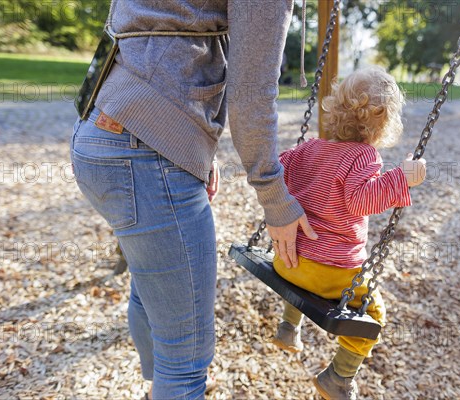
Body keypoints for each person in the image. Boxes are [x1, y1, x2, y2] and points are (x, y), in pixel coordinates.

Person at [70, 1, 317, 399]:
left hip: (101, 129)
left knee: (150, 284)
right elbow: (252, 95)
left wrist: (193, 144)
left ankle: (160, 387)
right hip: (144, 155)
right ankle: (171, 385)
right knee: (185, 363)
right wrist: (275, 199)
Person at [270, 67, 427, 400]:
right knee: (373, 315)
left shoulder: (310, 148)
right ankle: (338, 378)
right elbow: (362, 199)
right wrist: (403, 178)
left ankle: (288, 327)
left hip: (288, 262)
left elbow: (278, 168)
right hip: (332, 273)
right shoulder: (364, 155)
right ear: (383, 125)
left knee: (299, 279)